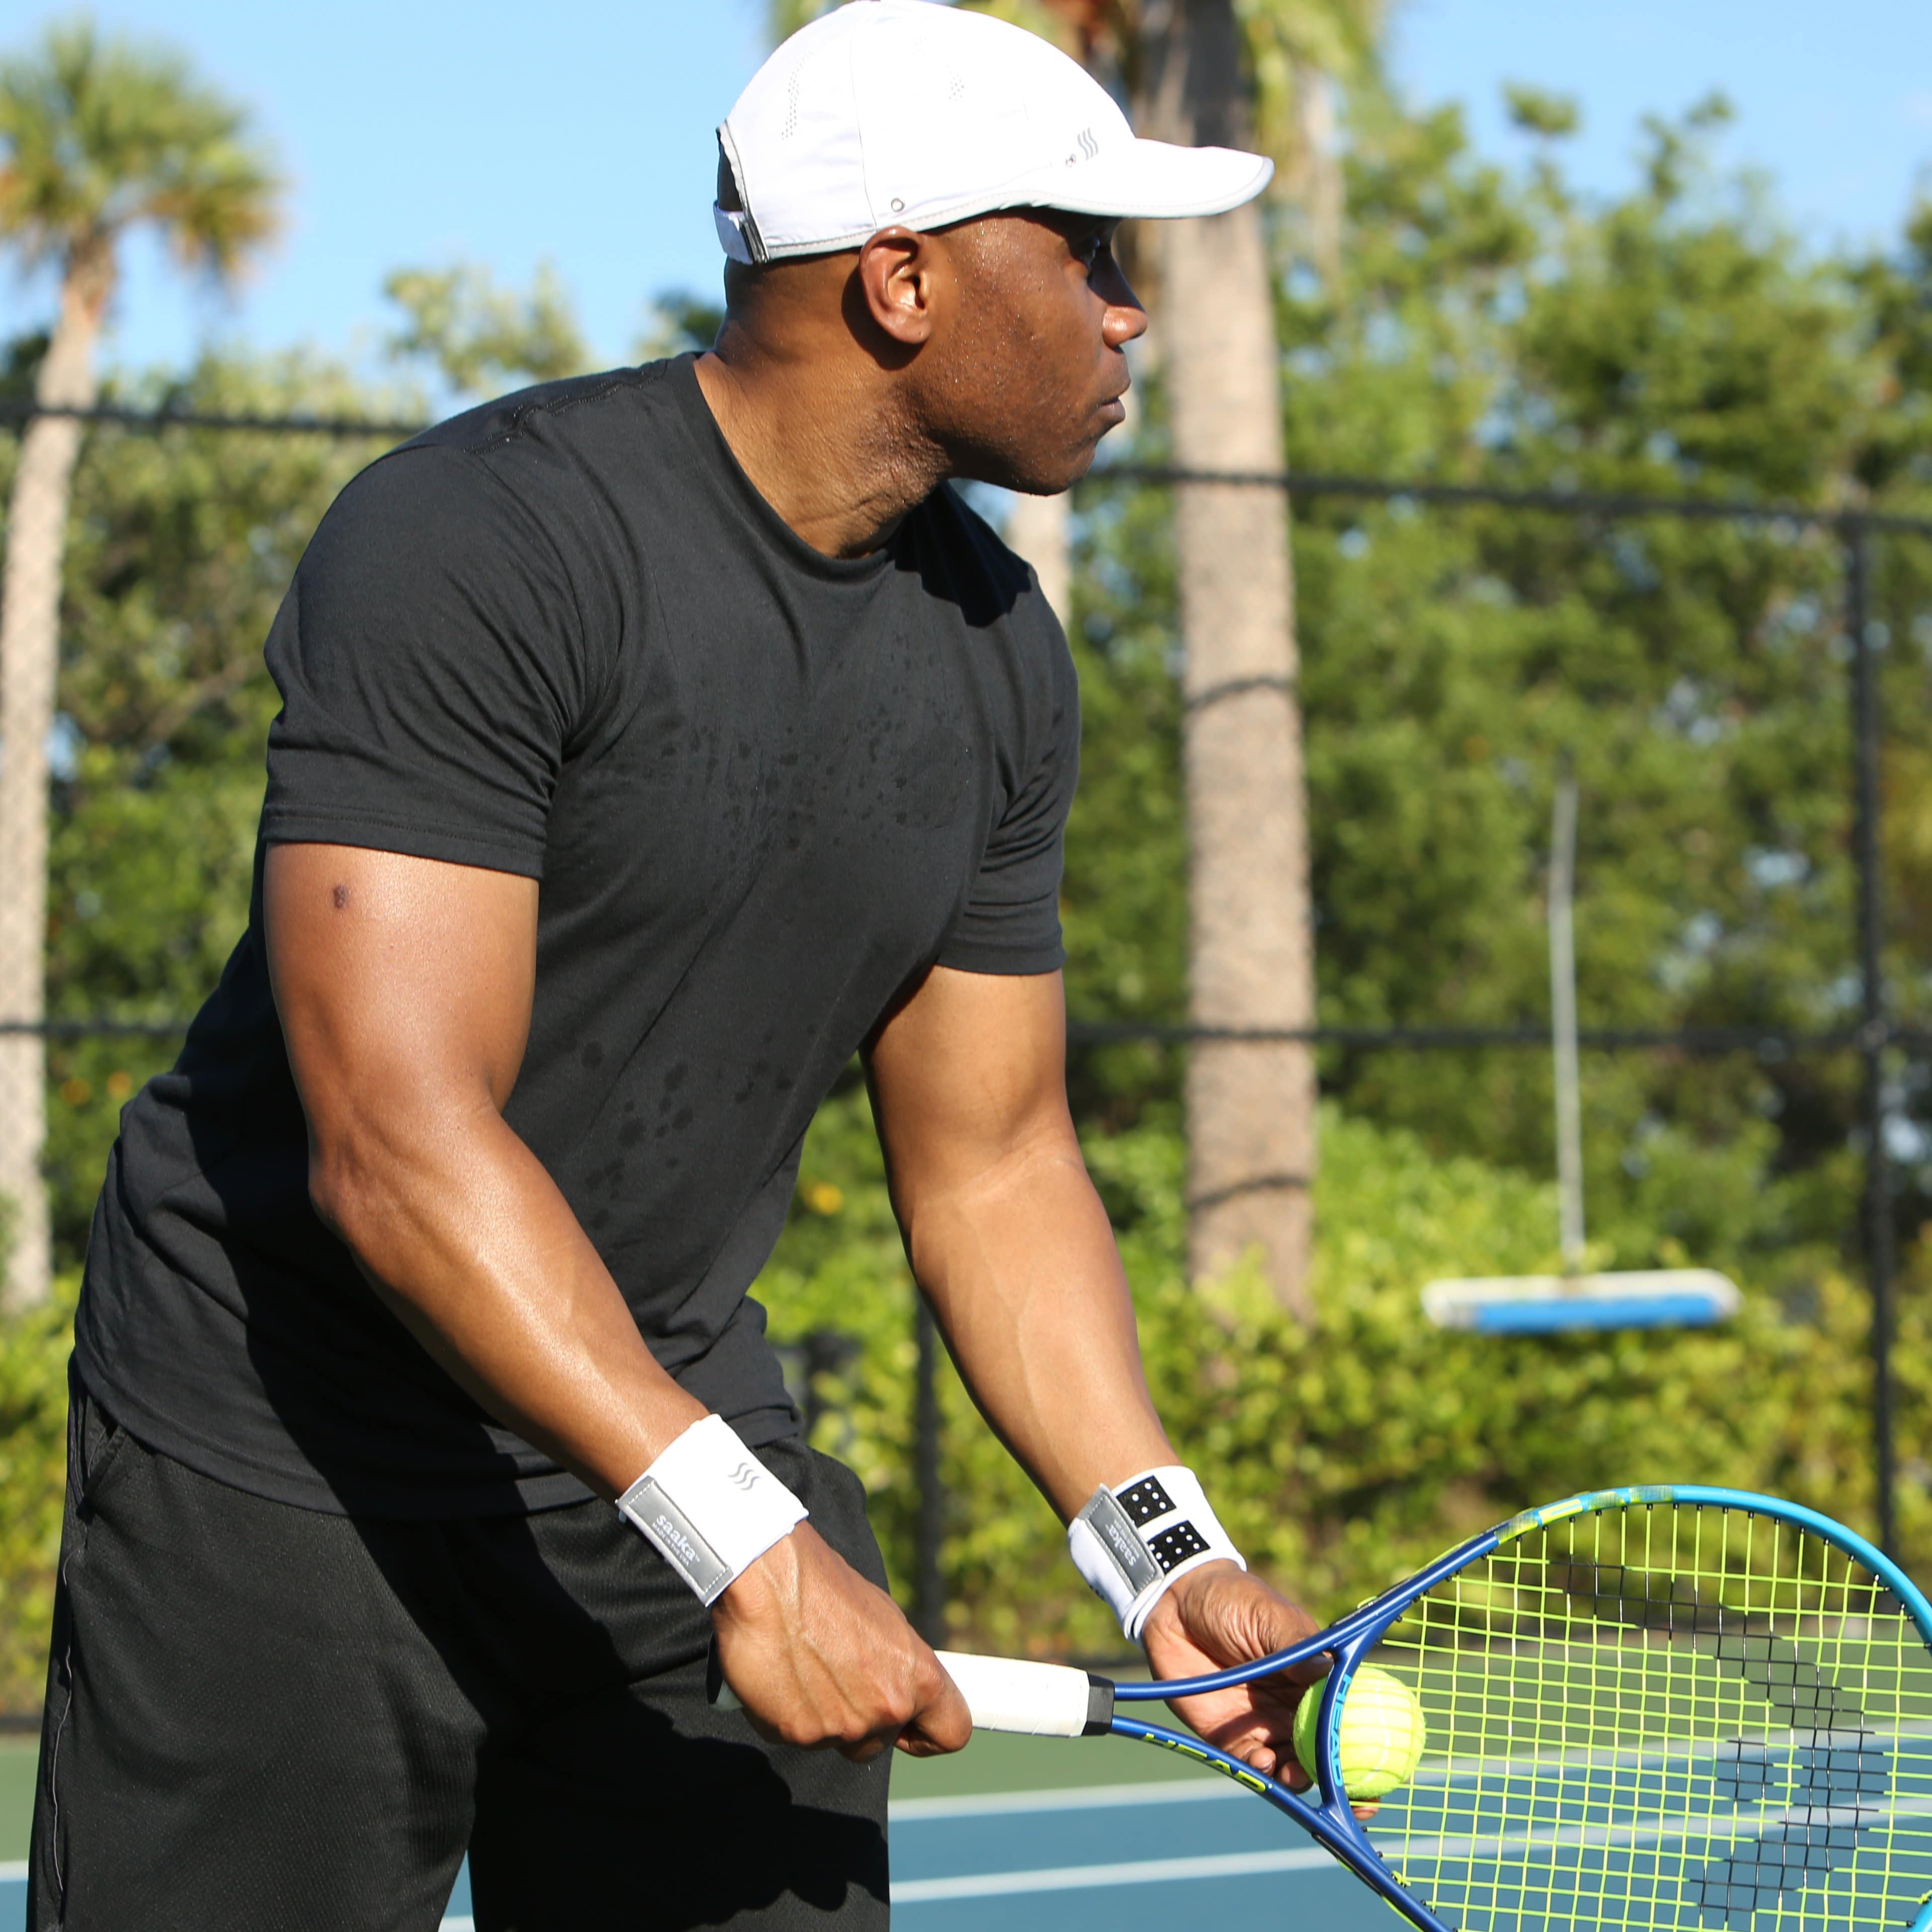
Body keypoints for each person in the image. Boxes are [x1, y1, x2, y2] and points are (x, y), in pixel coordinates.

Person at [31, 4, 1321, 1928]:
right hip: (285, 1461)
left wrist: (1163, 1555)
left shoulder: (1000, 659)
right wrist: (742, 1541)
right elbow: (396, 1140)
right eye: (1090, 253)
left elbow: (994, 1163)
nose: (1132, 310)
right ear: (900, 279)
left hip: (671, 1431)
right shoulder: (479, 543)